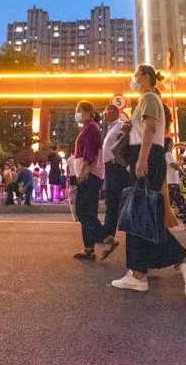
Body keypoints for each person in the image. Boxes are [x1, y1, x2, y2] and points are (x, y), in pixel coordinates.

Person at [111, 65, 186, 295]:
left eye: (135, 76)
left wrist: (142, 160)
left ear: (145, 77)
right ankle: (138, 274)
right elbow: (145, 129)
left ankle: (184, 257)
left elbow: (150, 128)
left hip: (147, 157)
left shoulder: (149, 97)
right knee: (139, 217)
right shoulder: (145, 101)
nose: (133, 80)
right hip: (146, 156)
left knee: (140, 216)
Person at [71, 101, 108, 259]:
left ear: (87, 112)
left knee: (83, 211)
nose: (76, 114)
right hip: (89, 174)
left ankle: (107, 239)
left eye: (78, 110)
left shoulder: (91, 127)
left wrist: (82, 171)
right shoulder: (88, 127)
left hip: (90, 175)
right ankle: (89, 249)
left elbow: (90, 152)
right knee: (88, 212)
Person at [100, 104, 128, 242]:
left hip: (116, 167)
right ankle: (108, 233)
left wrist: (119, 160)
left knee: (117, 199)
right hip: (109, 168)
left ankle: (111, 233)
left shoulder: (120, 126)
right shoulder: (111, 128)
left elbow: (124, 144)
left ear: (114, 112)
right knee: (111, 200)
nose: (104, 115)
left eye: (106, 112)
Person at [165, 138, 186, 231]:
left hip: (172, 182)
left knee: (174, 203)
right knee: (180, 203)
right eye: (172, 143)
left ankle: (185, 224)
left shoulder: (168, 155)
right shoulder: (167, 155)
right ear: (169, 144)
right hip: (172, 183)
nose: (173, 145)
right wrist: (180, 159)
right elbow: (175, 167)